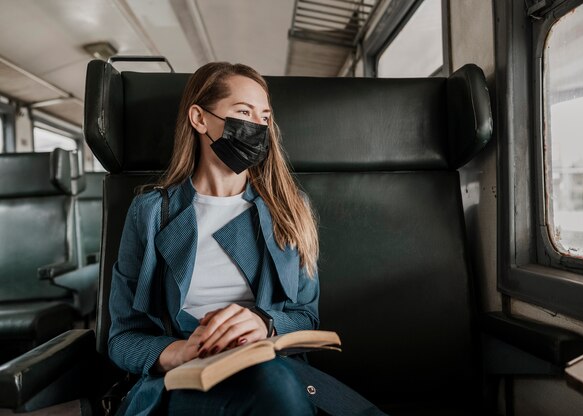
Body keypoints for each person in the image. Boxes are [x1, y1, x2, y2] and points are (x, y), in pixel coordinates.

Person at [108, 62, 384, 416]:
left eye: (265, 117)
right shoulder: (148, 214)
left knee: (274, 382)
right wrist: (176, 352)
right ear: (199, 118)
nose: (257, 126)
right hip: (184, 382)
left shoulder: (289, 209)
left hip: (276, 371)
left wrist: (264, 323)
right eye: (243, 112)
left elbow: (306, 315)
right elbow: (121, 339)